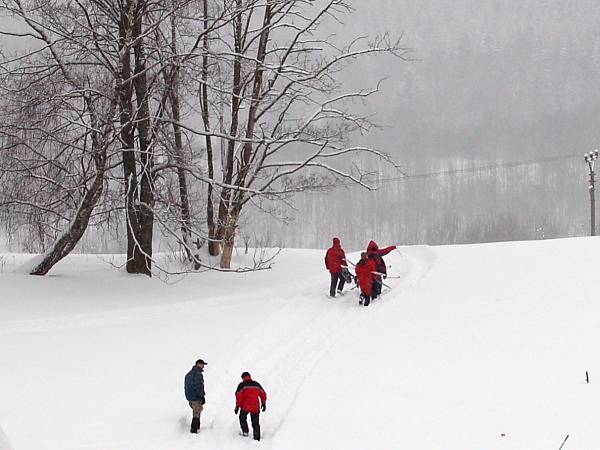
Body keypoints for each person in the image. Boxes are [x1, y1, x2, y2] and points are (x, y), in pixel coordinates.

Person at [234, 371, 267, 441]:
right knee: (255, 422)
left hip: (245, 407)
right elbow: (263, 394)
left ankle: (245, 432)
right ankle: (257, 437)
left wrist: (237, 406)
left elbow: (238, 396)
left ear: (243, 378)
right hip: (255, 407)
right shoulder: (256, 384)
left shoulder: (242, 385)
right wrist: (263, 403)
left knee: (242, 418)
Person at [184, 359, 207, 433]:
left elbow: (186, 386)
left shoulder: (188, 374)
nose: (203, 366)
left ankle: (197, 426)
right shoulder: (198, 374)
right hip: (196, 396)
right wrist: (202, 396)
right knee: (197, 412)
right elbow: (199, 386)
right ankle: (194, 429)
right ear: (198, 364)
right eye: (202, 364)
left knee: (198, 409)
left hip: (190, 397)